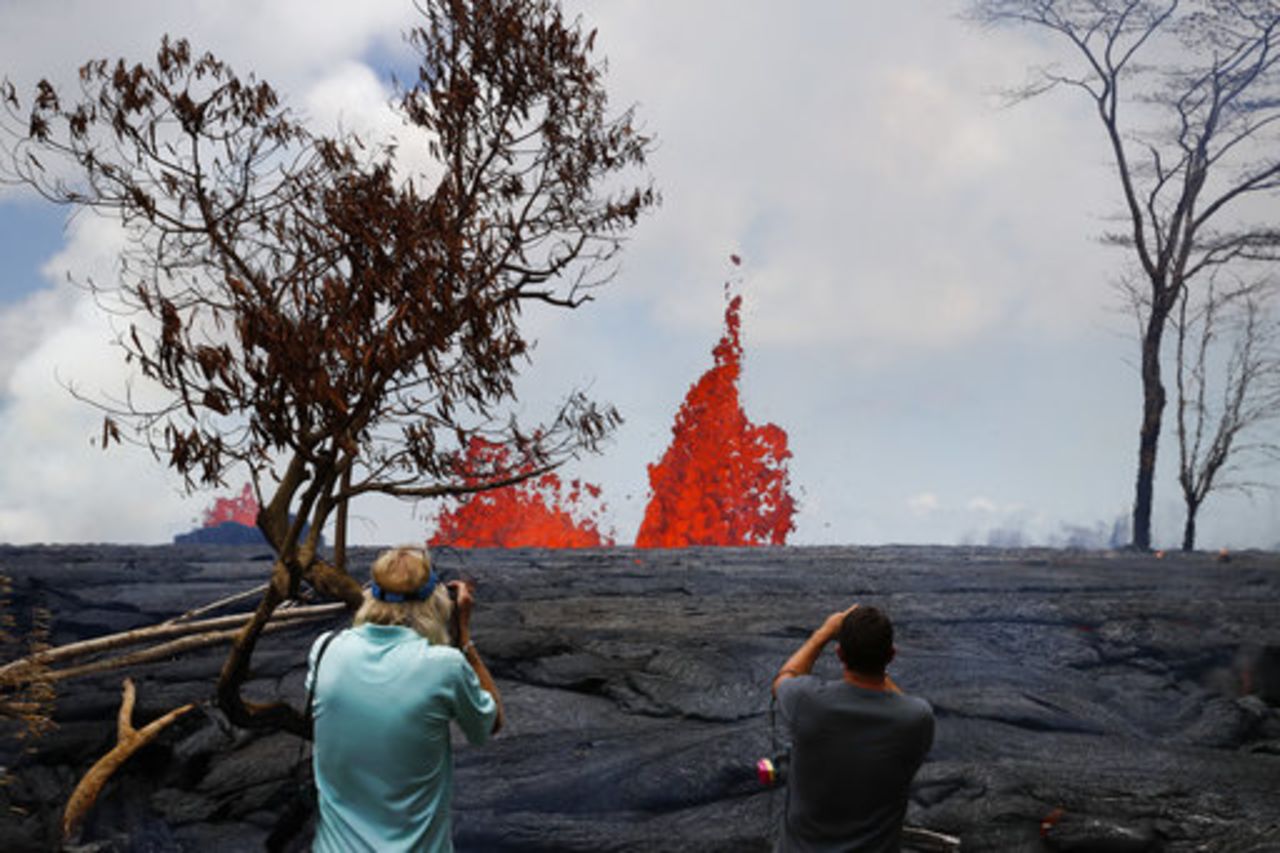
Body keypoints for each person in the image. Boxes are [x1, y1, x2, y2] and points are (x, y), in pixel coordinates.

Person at [306, 546, 505, 852]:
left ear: (370, 594)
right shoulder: (444, 666)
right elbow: (489, 724)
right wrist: (463, 635)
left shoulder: (324, 650)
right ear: (434, 601)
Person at [771, 604, 934, 853]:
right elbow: (901, 700)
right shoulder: (917, 718)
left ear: (839, 654)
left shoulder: (807, 701)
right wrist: (874, 663)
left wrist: (823, 632)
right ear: (891, 655)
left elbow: (785, 677)